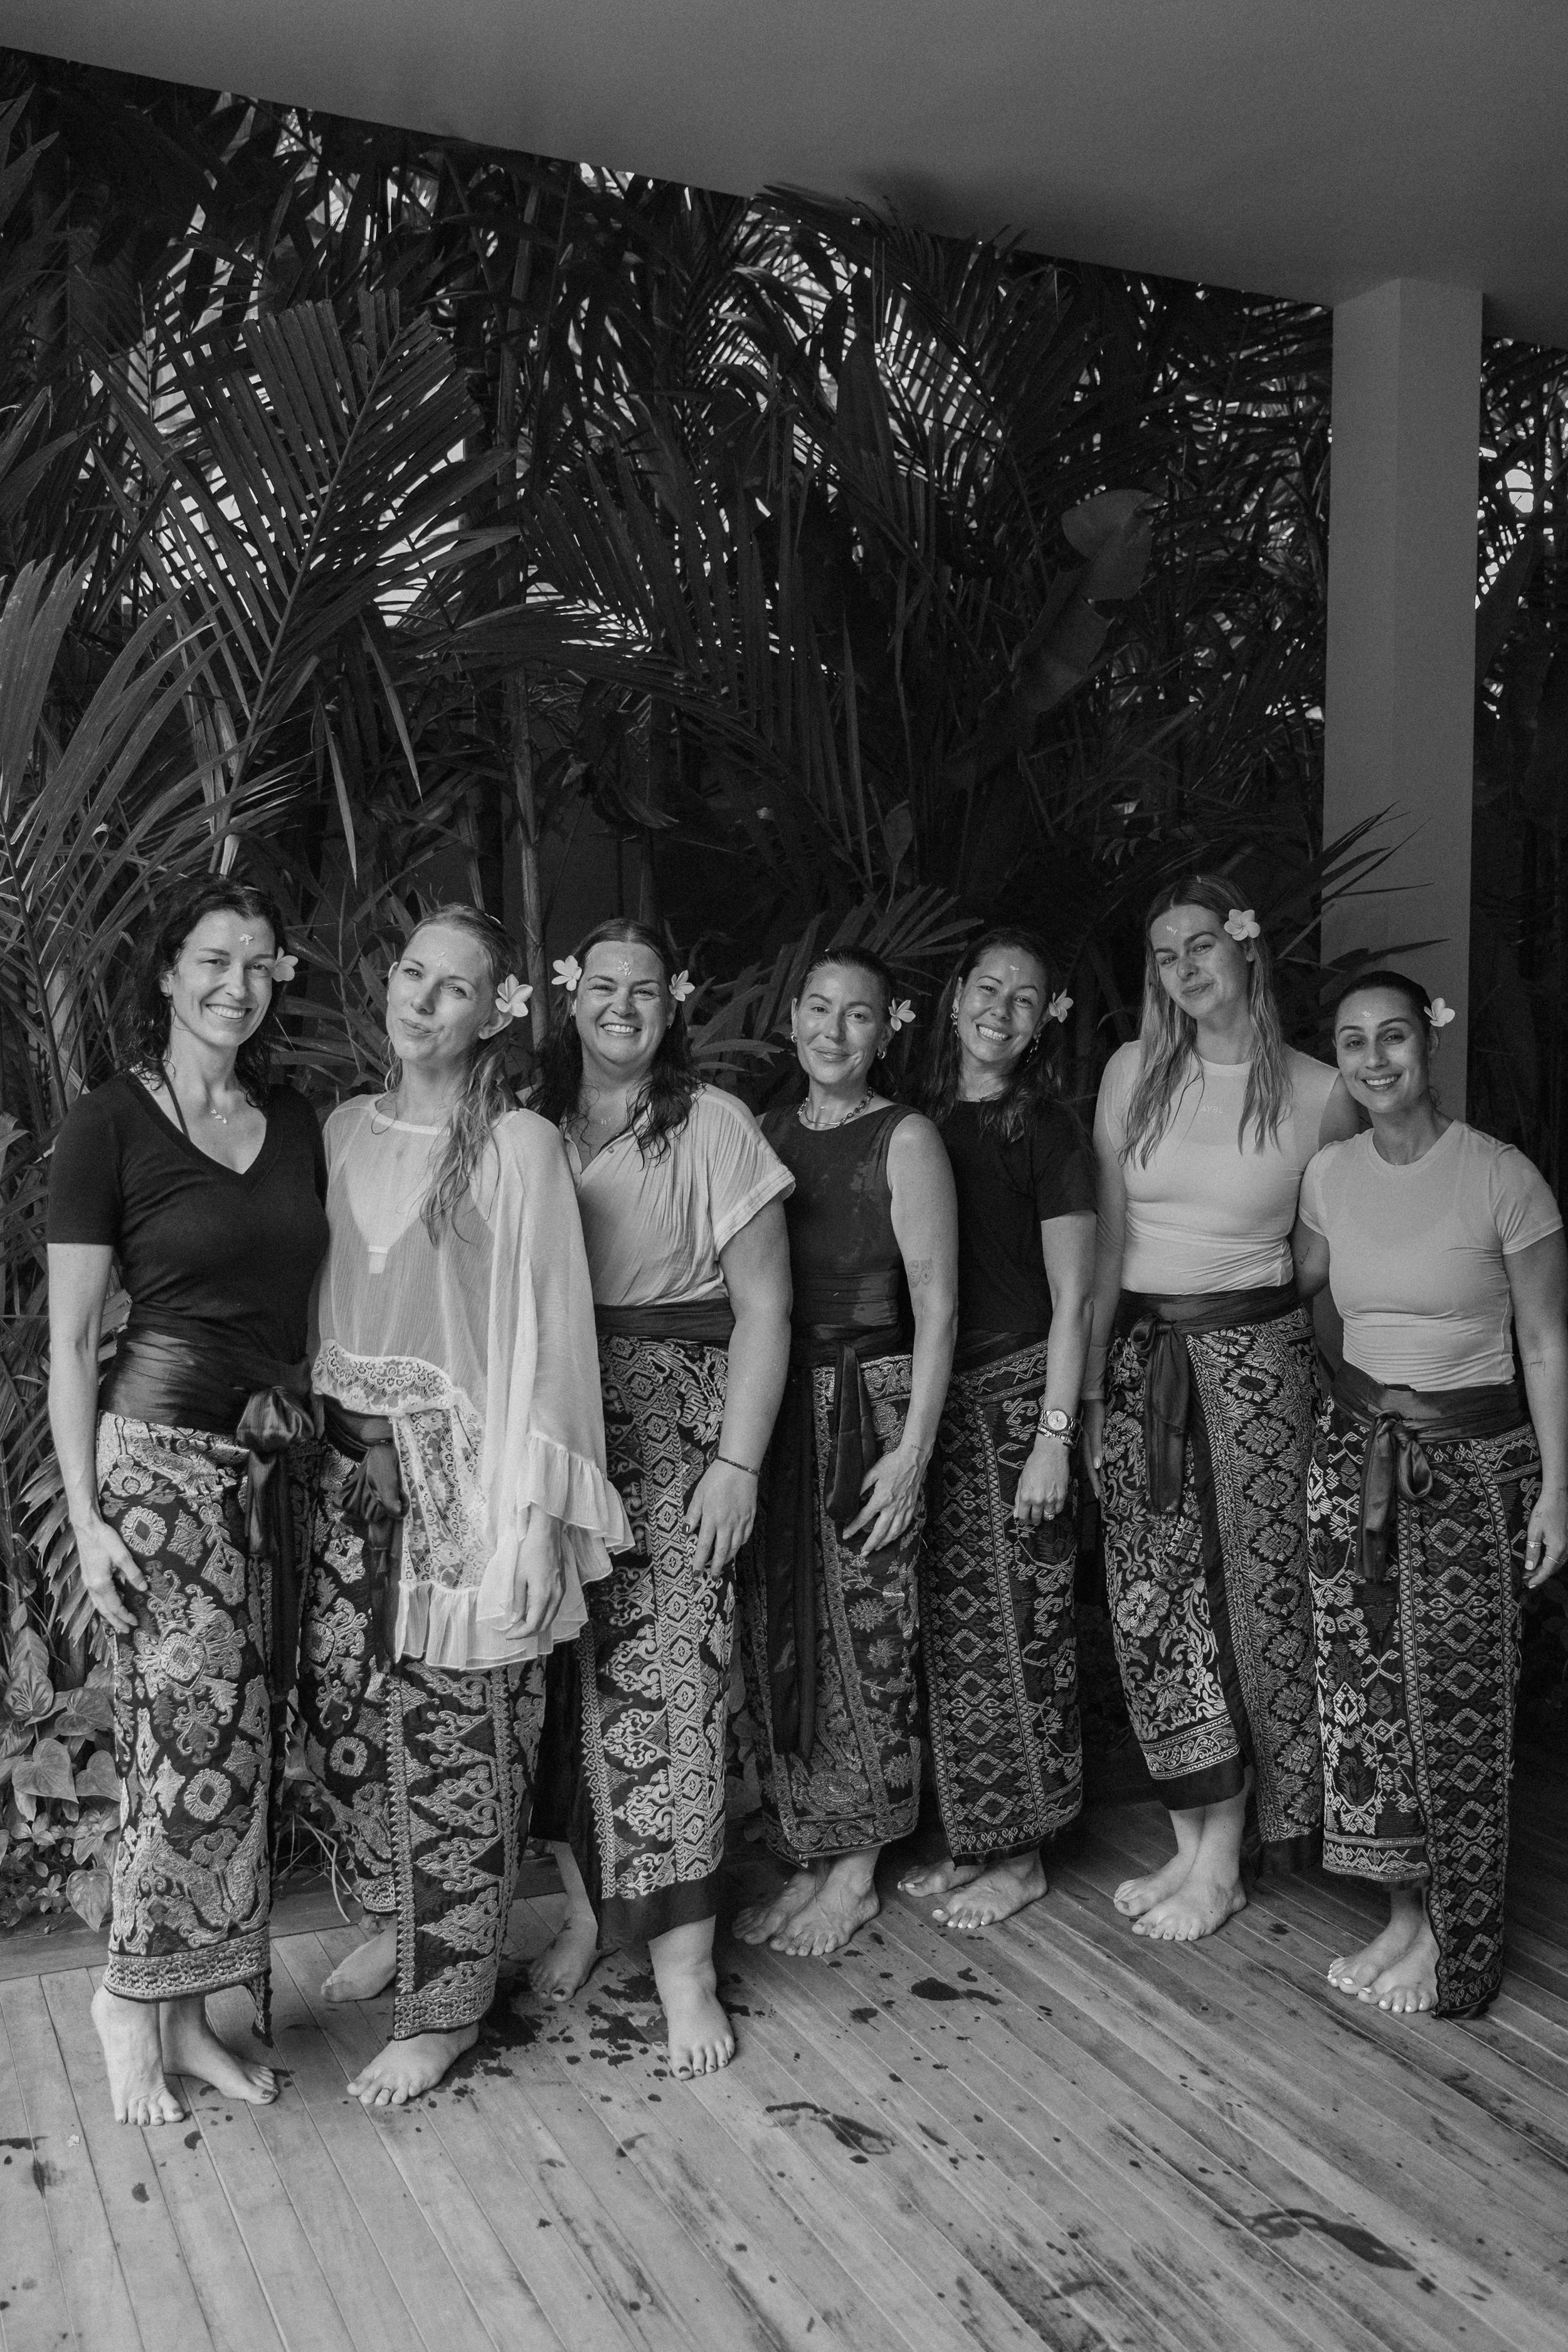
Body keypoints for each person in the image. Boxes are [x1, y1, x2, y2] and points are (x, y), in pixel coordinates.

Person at [299, 904, 627, 2105]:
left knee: (461, 1750)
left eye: (455, 988)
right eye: (411, 975)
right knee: (351, 1727)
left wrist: (537, 1518)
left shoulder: (520, 1144)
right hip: (349, 1483)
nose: (423, 1001)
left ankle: (446, 2007)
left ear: (497, 1012)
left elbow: (554, 1340)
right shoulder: (339, 1130)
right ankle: (400, 1920)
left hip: (469, 1497)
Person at [46, 877, 326, 2127]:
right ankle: (125, 2001)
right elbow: (67, 1347)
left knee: (240, 1756)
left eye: (261, 963)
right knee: (177, 1756)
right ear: (166, 974)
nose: (239, 982)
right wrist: (89, 1519)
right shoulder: (108, 1124)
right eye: (215, 958)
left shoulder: (295, 1118)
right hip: (156, 1469)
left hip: (267, 1468)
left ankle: (196, 2017)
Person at [526, 923, 793, 2076]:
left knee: (671, 1686)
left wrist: (736, 1462)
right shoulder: (528, 1123)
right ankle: (590, 1911)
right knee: (553, 1686)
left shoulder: (712, 1124)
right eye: (604, 986)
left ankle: (686, 1969)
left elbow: (768, 1307)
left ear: (672, 1003)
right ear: (569, 998)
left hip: (676, 1427)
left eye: (646, 989)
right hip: (549, 1425)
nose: (622, 1005)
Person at [1084, 875, 1357, 1940]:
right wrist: (1092, 1388)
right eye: (1164, 953)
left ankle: (1230, 1854)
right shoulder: (1132, 1076)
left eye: (1204, 944)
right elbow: (1108, 1247)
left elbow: (1325, 1261)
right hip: (1146, 1356)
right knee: (1156, 1603)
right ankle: (1195, 1834)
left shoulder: (1317, 1089)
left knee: (1248, 1594)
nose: (1185, 967)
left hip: (1258, 1364)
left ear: (1248, 949)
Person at [1294, 972, 1568, 2018]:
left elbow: (1544, 1343)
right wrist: (1359, 1404)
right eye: (1354, 1041)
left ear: (1429, 1044)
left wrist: (1557, 1491)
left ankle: (1461, 1941)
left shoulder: (1503, 1177)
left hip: (1472, 1466)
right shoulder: (1329, 1174)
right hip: (1355, 1462)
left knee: (1457, 1705)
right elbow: (1313, 1295)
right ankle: (1405, 1915)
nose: (1374, 1058)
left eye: (1394, 1036)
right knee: (1365, 1700)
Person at [736, 946, 958, 1957]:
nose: (833, 1030)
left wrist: (914, 1447)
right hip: (785, 1403)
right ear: (792, 1019)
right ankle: (813, 1852)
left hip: (875, 1395)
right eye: (817, 1008)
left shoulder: (904, 1136)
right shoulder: (765, 1132)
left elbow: (941, 1302)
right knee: (792, 1624)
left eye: (857, 1014)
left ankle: (860, 1870)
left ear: (887, 1029)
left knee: (872, 1630)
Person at [898, 930, 1096, 1931]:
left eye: (1028, 998)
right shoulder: (917, 1116)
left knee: (1025, 1629)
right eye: (989, 988)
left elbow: (1076, 1299)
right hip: (935, 1400)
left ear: (1044, 1019)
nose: (1003, 1010)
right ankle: (973, 1836)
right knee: (953, 1632)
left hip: (1020, 1399)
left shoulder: (1048, 1129)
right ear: (957, 997)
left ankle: (1023, 1856)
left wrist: (1057, 1434)